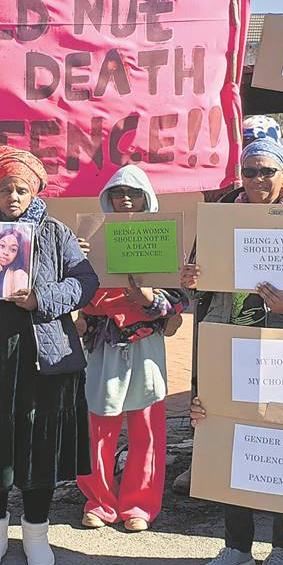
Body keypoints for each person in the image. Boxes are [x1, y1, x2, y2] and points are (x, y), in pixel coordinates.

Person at [0, 146, 98, 565]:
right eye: (6, 188)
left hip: (41, 360)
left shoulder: (54, 232)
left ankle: (36, 532)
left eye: (22, 189)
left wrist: (42, 298)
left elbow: (86, 281)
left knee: (37, 448)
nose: (13, 196)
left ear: (35, 191)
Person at [184, 135, 283, 565]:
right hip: (227, 346)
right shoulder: (219, 216)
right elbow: (196, 285)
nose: (259, 179)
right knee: (227, 439)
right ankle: (237, 548)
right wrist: (191, 279)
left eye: (268, 171)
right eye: (251, 171)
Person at [74, 166, 187, 533]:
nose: (126, 199)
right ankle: (99, 501)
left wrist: (153, 299)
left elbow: (179, 301)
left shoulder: (164, 238)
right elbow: (74, 291)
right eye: (119, 192)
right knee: (99, 427)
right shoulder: (87, 237)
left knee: (147, 429)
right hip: (103, 343)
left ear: (145, 198)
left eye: (133, 193)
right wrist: (74, 260)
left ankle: (139, 505)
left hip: (146, 343)